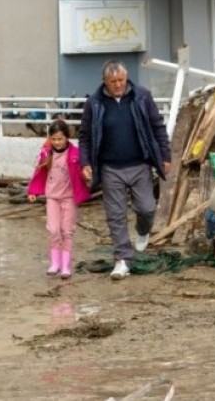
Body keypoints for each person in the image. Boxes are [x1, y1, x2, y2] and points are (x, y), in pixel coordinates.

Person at [78, 60, 172, 280]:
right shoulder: (94, 103)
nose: (118, 85)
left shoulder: (141, 97)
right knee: (116, 216)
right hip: (111, 168)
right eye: (113, 82)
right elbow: (84, 137)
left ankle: (142, 230)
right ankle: (122, 260)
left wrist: (165, 155)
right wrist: (85, 163)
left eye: (121, 80)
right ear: (105, 82)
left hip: (140, 164)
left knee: (147, 208)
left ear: (126, 78)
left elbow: (157, 126)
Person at [27, 119, 92, 279]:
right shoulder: (45, 154)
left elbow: (83, 173)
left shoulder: (75, 153)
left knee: (67, 231)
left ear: (67, 138)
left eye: (60, 139)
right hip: (52, 198)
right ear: (49, 138)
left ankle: (65, 266)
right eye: (53, 139)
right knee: (54, 230)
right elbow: (38, 173)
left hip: (69, 197)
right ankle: (55, 263)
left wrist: (86, 175)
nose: (57, 142)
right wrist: (33, 191)